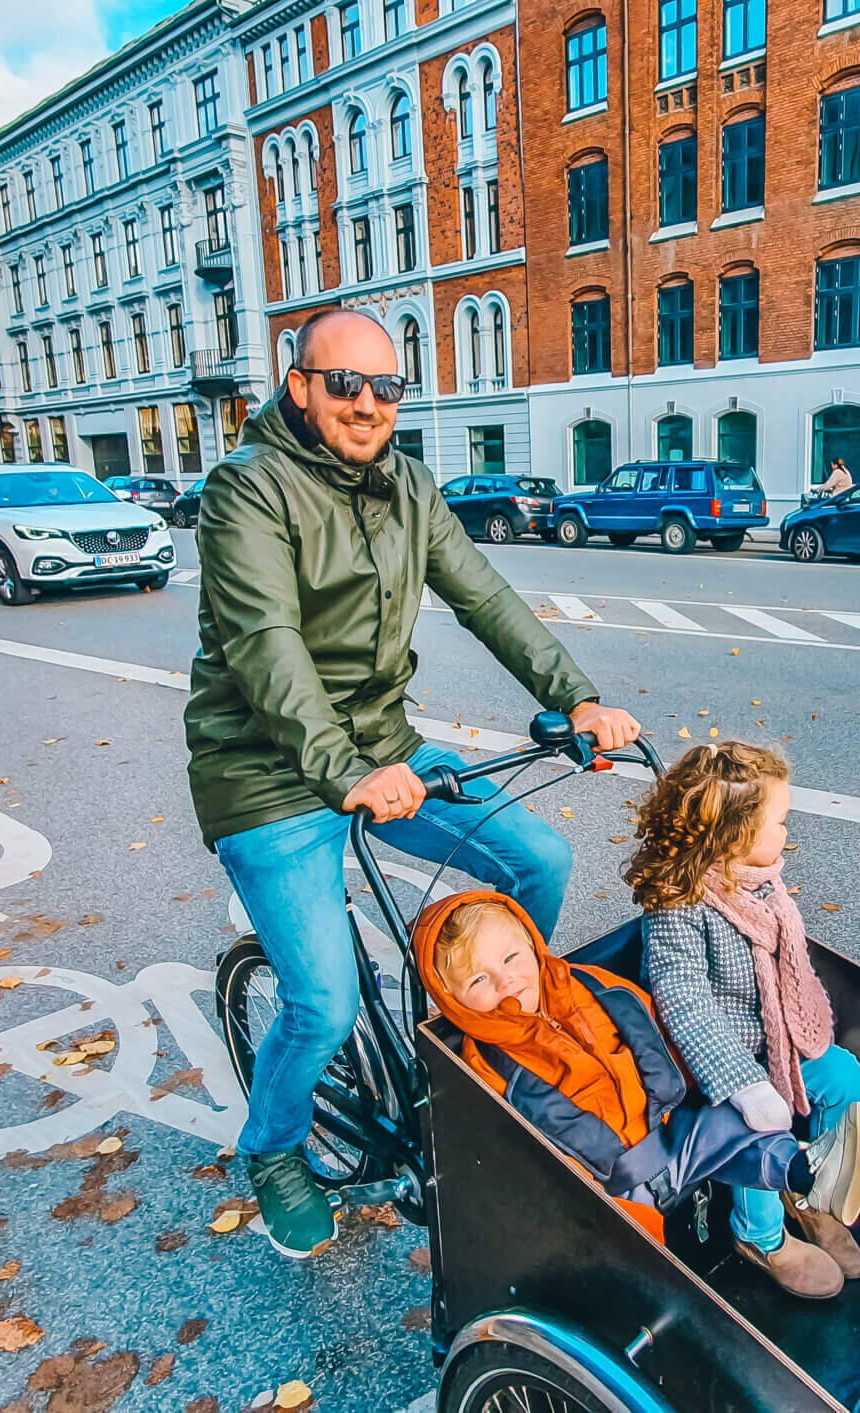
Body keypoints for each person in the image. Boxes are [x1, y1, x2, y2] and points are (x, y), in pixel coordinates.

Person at [186, 307, 642, 1258]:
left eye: (385, 387)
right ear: (299, 385)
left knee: (536, 861)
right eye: (344, 383)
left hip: (385, 754)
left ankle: (465, 1042)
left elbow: (484, 597)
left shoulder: (410, 488)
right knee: (323, 1001)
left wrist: (578, 698)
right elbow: (268, 648)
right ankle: (272, 1152)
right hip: (267, 778)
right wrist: (344, 770)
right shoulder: (245, 491)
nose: (367, 404)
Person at [414, 891, 815, 1240]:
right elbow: (518, 1151)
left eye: (511, 958)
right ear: (453, 1002)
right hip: (609, 1186)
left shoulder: (587, 984)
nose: (507, 982)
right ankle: (666, 1292)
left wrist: (694, 1084)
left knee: (738, 1120)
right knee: (634, 1248)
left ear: (533, 945)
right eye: (478, 980)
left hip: (667, 1129)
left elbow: (650, 1025)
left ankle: (805, 1172)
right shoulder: (486, 1063)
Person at [629, 741, 860, 1299]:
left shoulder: (759, 881)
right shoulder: (678, 907)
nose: (787, 833)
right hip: (717, 1069)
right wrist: (745, 1085)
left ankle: (807, 1189)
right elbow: (685, 1002)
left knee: (842, 1078)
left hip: (775, 1047)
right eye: (780, 822)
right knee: (763, 1127)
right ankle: (759, 1236)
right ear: (735, 834)